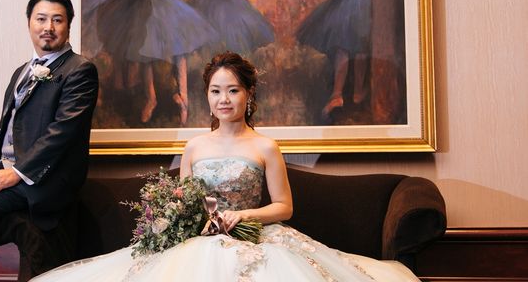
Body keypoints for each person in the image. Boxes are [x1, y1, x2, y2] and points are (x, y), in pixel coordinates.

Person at [31, 52, 420, 282]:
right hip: (199, 239)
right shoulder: (195, 146)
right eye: (216, 91)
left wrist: (241, 216)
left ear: (248, 94)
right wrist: (177, 219)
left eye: (233, 90)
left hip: (252, 237)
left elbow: (284, 207)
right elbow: (184, 201)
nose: (224, 99)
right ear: (207, 96)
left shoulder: (265, 146)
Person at [0, 0, 99, 281]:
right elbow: (2, 131)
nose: (48, 27)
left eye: (57, 20)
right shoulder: (22, 72)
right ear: (29, 23)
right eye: (41, 19)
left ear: (68, 25)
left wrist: (17, 173)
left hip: (44, 180)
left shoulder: (80, 70)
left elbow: (62, 133)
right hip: (10, 175)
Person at [98, 0, 218, 125]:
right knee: (146, 54)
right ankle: (151, 98)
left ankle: (183, 97)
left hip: (162, 4)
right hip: (139, 5)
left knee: (180, 49)